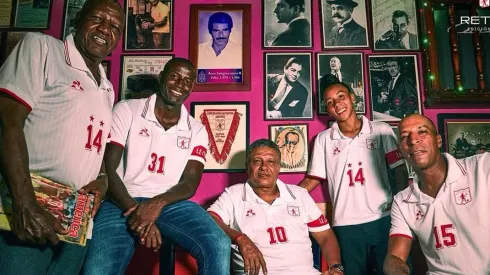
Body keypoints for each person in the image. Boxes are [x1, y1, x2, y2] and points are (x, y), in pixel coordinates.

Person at [0, 0, 124, 274]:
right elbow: (6, 122)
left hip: (77, 216)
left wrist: (103, 179)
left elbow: (93, 145)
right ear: (78, 19)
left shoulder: (107, 85)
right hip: (31, 205)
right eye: (98, 18)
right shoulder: (41, 47)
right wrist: (25, 204)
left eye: (115, 26)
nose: (105, 29)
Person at [81, 57, 230, 274]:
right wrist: (137, 213)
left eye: (187, 81)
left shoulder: (196, 129)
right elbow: (108, 168)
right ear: (161, 77)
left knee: (218, 243)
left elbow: (190, 184)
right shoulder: (127, 109)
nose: (180, 84)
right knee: (97, 271)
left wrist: (156, 205)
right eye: (174, 76)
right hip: (120, 199)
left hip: (169, 203)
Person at [299, 74, 409, 275]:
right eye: (330, 102)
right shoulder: (324, 139)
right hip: (346, 223)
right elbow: (314, 178)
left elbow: (399, 169)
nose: (337, 104)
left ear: (352, 97)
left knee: (392, 271)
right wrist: (287, 196)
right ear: (327, 108)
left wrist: (398, 204)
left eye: (341, 97)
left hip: (382, 217)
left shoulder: (381, 129)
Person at [208, 139, 344, 275]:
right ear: (247, 167)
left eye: (271, 162)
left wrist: (336, 268)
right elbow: (209, 219)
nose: (264, 167)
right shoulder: (233, 195)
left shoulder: (299, 194)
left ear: (279, 167)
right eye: (257, 161)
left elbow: (325, 235)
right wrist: (240, 238)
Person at [383, 114, 490, 275]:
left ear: (438, 140)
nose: (413, 140)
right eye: (405, 136)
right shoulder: (402, 201)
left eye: (422, 132)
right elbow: (394, 257)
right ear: (401, 150)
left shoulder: (482, 167)